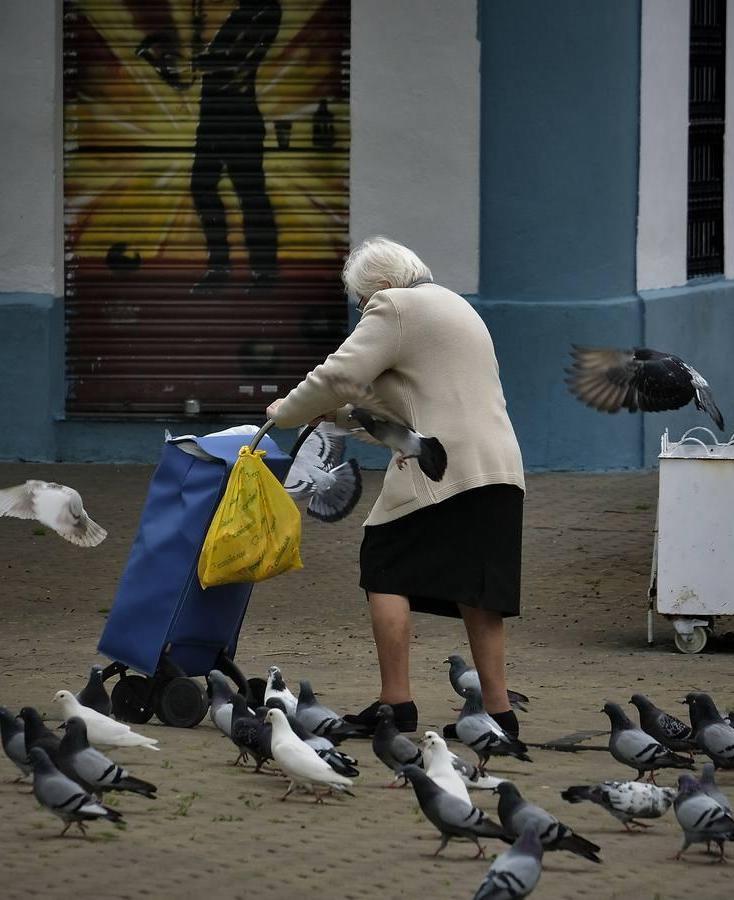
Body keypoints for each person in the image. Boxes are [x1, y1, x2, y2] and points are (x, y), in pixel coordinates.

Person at [266, 237, 526, 735]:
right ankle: (498, 713)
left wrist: (286, 412)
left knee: (385, 563)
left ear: (382, 286)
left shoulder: (395, 305)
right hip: (498, 467)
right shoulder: (457, 307)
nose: (364, 313)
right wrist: (340, 416)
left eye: (361, 304)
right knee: (479, 589)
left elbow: (338, 374)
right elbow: (407, 406)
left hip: (441, 468)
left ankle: (396, 704)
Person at [188, 0, 282, 294]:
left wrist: (204, 60)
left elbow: (241, 60)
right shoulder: (240, 13)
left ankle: (264, 274)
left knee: (251, 196)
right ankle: (219, 267)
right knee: (203, 187)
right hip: (213, 119)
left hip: (239, 121)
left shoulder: (265, 10)